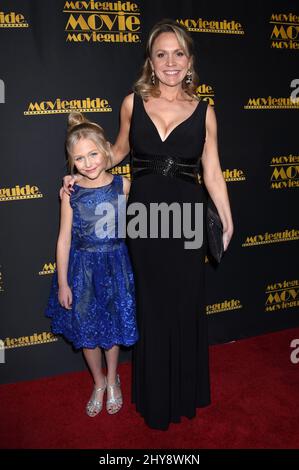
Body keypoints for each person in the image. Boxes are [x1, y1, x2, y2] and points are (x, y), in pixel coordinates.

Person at [63, 19, 233, 430]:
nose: (170, 62)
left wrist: (227, 219)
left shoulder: (204, 111)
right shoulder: (131, 103)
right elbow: (116, 151)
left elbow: (212, 172)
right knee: (153, 307)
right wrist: (78, 171)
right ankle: (155, 396)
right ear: (151, 63)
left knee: (186, 304)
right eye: (162, 54)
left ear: (189, 61)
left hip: (188, 217)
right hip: (144, 217)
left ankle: (186, 391)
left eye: (179, 54)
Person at [46, 111, 138, 418]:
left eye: (93, 153)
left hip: (116, 265)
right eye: (80, 158)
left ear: (106, 150)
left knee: (112, 329)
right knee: (87, 330)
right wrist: (62, 282)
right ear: (71, 162)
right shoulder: (71, 193)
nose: (88, 163)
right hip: (82, 269)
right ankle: (98, 383)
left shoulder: (123, 186)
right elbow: (63, 240)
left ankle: (113, 379)